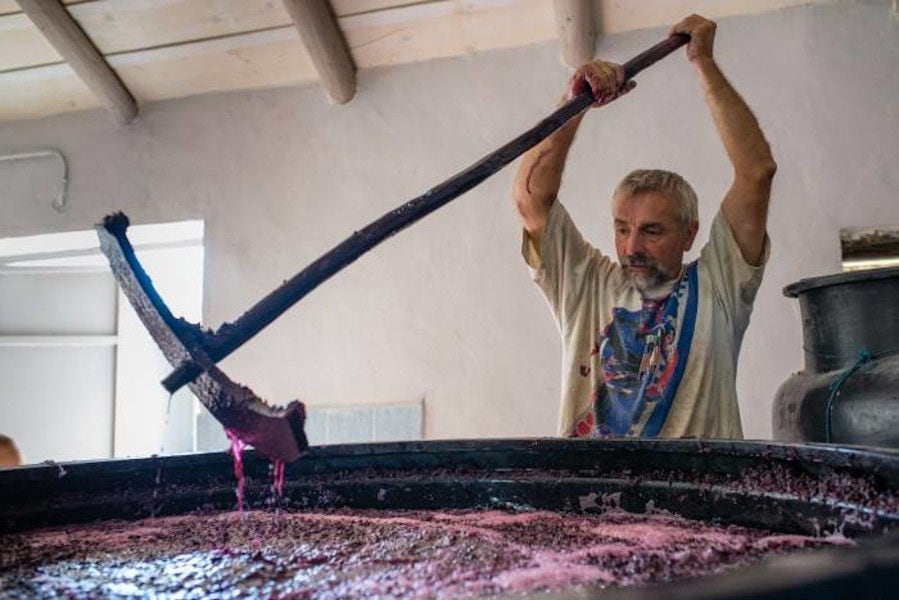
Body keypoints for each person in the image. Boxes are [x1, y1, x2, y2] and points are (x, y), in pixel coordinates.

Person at [513, 15, 776, 439]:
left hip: (696, 504)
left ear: (688, 234)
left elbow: (756, 171)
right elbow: (531, 199)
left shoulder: (720, 284)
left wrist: (703, 63)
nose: (631, 246)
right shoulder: (587, 285)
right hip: (589, 502)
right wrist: (574, 102)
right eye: (621, 229)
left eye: (652, 232)